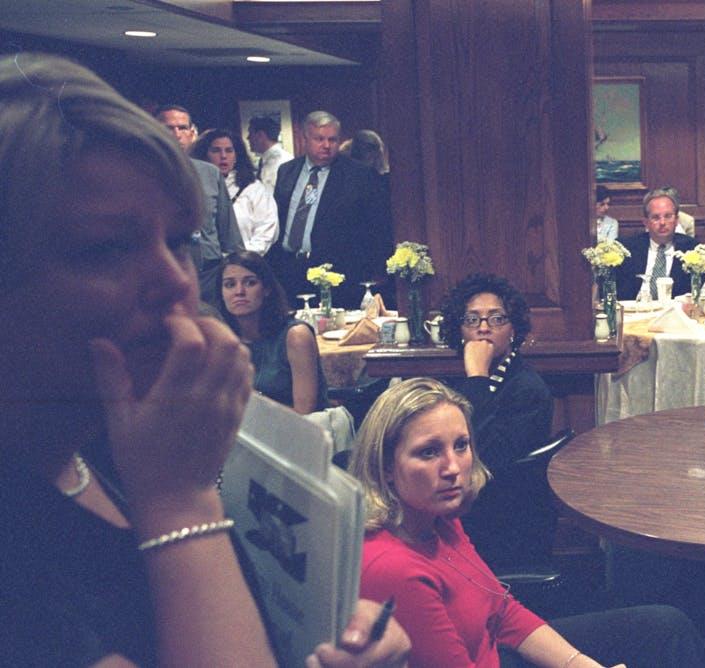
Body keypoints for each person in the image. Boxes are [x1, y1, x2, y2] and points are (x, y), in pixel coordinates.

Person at [0, 52, 406, 667]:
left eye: (178, 241)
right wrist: (179, 503)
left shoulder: (111, 435)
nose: (176, 282)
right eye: (107, 248)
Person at [351, 378, 705, 668]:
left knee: (666, 626)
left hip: (495, 653)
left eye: (461, 445)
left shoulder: (437, 518)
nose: (452, 467)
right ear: (386, 466)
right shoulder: (393, 569)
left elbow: (501, 611)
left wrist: (581, 665)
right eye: (428, 452)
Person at [438, 274, 553, 569]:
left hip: (500, 516)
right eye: (472, 320)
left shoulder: (527, 388)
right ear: (459, 330)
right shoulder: (455, 380)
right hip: (460, 498)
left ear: (513, 329)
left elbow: (486, 456)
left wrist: (478, 375)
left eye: (497, 319)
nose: (483, 328)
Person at [266, 110, 393, 307]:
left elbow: (376, 226)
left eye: (332, 140)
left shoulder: (359, 175)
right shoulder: (287, 171)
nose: (326, 145)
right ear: (305, 138)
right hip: (289, 268)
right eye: (319, 139)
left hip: (337, 273)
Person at [211, 251, 327, 414]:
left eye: (250, 283)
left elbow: (305, 412)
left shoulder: (296, 336)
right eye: (230, 285)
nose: (239, 291)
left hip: (297, 427)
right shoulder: (222, 340)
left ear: (267, 289)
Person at [155, 103, 244, 293]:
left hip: (210, 273)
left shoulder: (210, 173)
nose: (176, 134)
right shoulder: (141, 173)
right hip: (165, 273)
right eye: (169, 128)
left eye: (182, 128)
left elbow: (230, 234)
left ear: (191, 133)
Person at [193, 128, 279, 254]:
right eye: (216, 151)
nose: (223, 156)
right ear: (204, 155)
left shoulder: (254, 189)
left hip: (244, 260)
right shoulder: (195, 188)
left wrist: (238, 257)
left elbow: (266, 232)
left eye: (229, 151)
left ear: (237, 155)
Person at [616, 188, 699, 301]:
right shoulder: (627, 249)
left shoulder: (692, 249)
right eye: (655, 217)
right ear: (646, 222)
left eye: (668, 216)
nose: (662, 223)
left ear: (676, 220)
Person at [247, 114, 292, 191]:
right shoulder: (263, 161)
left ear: (260, 135)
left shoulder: (284, 162)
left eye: (250, 134)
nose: (248, 138)